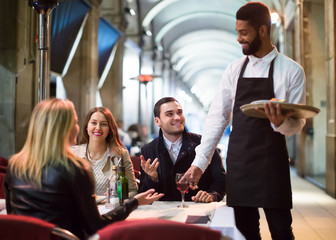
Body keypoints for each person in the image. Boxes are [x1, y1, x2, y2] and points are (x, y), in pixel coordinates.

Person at [183, 2, 306, 239]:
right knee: (245, 232)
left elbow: (297, 125)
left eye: (244, 32)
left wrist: (280, 122)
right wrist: (200, 163)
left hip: (273, 163)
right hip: (240, 164)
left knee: (281, 231)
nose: (238, 39)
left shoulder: (292, 71)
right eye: (237, 32)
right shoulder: (233, 70)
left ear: (262, 30)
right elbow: (217, 118)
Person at [5, 98, 163, 239]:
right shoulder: (75, 169)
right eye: (74, 122)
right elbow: (95, 227)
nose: (77, 127)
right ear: (63, 129)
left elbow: (14, 218)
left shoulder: (14, 164)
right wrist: (133, 203)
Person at [139, 97, 226, 202]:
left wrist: (212, 195)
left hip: (199, 210)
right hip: (165, 214)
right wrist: (152, 179)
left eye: (179, 112)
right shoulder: (148, 150)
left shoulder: (204, 144)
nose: (177, 117)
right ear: (158, 121)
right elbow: (143, 194)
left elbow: (221, 179)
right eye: (169, 114)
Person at [71, 107, 138, 197]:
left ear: (109, 129)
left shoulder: (121, 154)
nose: (98, 128)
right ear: (87, 126)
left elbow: (133, 191)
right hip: (80, 210)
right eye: (94, 123)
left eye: (103, 124)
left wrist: (118, 197)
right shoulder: (73, 153)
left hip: (110, 209)